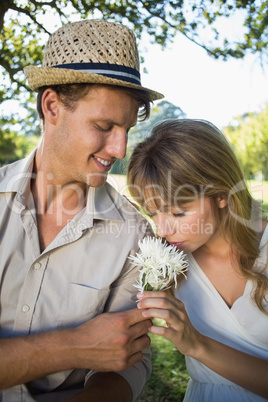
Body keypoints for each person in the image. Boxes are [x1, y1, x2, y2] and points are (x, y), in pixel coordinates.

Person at [0, 20, 164, 401]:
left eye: (125, 129)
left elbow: (129, 358)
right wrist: (74, 346)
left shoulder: (135, 234)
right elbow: (91, 347)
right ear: (52, 106)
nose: (120, 150)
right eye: (104, 126)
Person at [127, 119, 268, 401]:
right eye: (153, 213)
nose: (163, 230)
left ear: (220, 195)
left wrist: (198, 345)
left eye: (178, 212)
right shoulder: (167, 263)